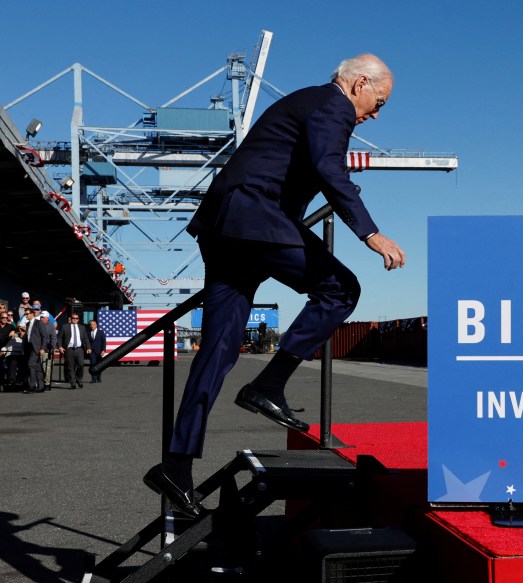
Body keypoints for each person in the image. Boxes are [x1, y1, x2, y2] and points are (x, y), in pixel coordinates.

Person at [143, 54, 405, 518]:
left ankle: (175, 467)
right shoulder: (333, 105)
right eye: (378, 101)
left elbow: (305, 164)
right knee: (340, 289)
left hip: (227, 226)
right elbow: (329, 167)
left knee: (219, 349)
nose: (376, 114)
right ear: (359, 82)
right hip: (255, 216)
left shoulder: (305, 103)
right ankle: (269, 384)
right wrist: (369, 231)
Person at [58, 313, 91, 389]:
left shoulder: (82, 327)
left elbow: (85, 338)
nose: (75, 320)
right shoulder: (65, 327)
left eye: (76, 318)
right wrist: (60, 347)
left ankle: (78, 379)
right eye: (73, 318)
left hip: (79, 349)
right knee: (70, 366)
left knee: (81, 365)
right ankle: (73, 383)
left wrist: (88, 347)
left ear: (78, 319)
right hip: (69, 349)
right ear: (70, 319)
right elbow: (59, 337)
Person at [23, 309, 48, 393]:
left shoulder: (38, 322)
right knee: (37, 367)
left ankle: (32, 386)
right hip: (29, 347)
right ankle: (41, 387)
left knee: (31, 364)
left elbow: (44, 336)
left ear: (32, 314)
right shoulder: (27, 324)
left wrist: (42, 348)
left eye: (27, 314)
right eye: (25, 314)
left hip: (36, 347)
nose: (26, 315)